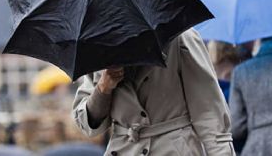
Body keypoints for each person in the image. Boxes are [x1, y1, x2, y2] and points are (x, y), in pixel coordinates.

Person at [72, 29, 235, 155]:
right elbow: (88, 125)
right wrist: (103, 88)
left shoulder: (179, 38)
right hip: (124, 149)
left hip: (174, 149)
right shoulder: (97, 48)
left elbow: (210, 115)